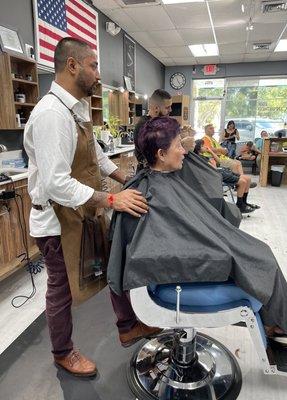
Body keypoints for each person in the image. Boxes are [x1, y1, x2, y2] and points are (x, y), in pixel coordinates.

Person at [24, 37, 159, 378]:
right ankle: (62, 352)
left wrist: (125, 177)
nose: (98, 74)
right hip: (56, 222)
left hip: (82, 213)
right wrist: (112, 199)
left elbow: (95, 156)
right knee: (62, 289)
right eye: (93, 66)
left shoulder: (75, 108)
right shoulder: (52, 115)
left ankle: (128, 325)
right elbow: (56, 183)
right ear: (72, 66)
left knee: (114, 261)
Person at [108, 116, 287, 351]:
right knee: (258, 258)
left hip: (189, 255)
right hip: (175, 274)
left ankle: (278, 323)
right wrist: (219, 253)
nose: (183, 150)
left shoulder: (163, 179)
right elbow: (147, 254)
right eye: (179, 145)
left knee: (258, 254)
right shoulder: (142, 196)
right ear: (160, 154)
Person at [194, 139, 259, 213]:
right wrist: (213, 164)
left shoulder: (204, 157)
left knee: (248, 179)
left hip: (221, 171)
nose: (205, 147)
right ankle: (240, 205)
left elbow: (218, 161)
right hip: (219, 174)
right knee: (243, 182)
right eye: (202, 146)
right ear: (198, 149)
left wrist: (211, 152)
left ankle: (244, 202)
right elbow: (213, 168)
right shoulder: (200, 158)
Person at [133, 89, 172, 172]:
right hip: (148, 174)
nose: (170, 110)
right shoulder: (144, 126)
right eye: (167, 107)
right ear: (156, 108)